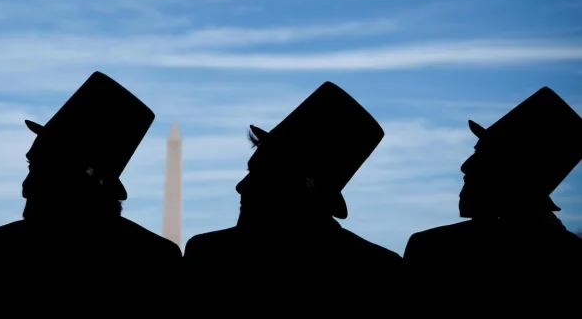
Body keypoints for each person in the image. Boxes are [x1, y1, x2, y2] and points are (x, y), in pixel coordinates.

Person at [0, 71, 182, 310]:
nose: (26, 187)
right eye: (30, 166)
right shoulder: (156, 258)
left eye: (43, 170)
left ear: (78, 180)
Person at [183, 81, 402, 309]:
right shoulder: (380, 269)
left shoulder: (207, 255)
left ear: (295, 187)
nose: (241, 186)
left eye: (258, 174)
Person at [403, 86, 582, 302]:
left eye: (483, 155)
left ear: (513, 172)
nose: (465, 166)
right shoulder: (571, 258)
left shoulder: (433, 250)